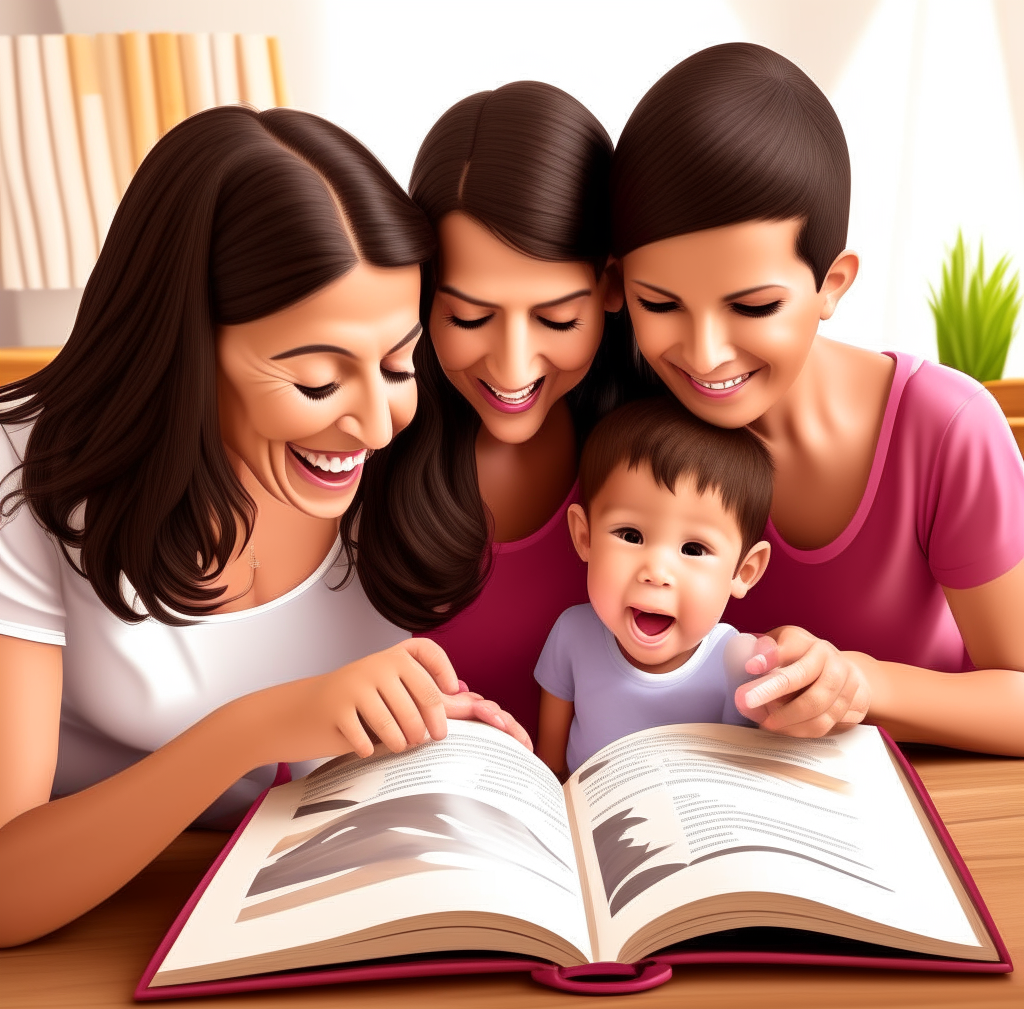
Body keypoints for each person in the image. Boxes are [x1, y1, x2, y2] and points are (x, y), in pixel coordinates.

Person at [0, 106, 527, 948]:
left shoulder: (422, 455)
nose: (376, 425)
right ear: (185, 353)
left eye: (398, 363)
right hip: (99, 935)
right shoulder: (24, 480)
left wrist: (411, 731)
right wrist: (253, 727)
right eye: (318, 382)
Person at [611, 43, 1024, 754]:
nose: (706, 353)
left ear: (832, 284)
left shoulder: (946, 430)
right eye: (661, 303)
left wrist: (862, 685)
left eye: (753, 306)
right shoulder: (631, 433)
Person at [350, 82, 646, 741]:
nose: (513, 368)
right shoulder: (359, 444)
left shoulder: (658, 443)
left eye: (557, 318)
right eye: (471, 317)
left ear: (610, 287)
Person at [534, 398, 773, 776]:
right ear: (585, 536)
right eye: (631, 535)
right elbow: (548, 764)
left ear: (744, 571)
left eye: (693, 549)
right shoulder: (572, 634)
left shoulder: (736, 662)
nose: (656, 572)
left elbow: (738, 781)